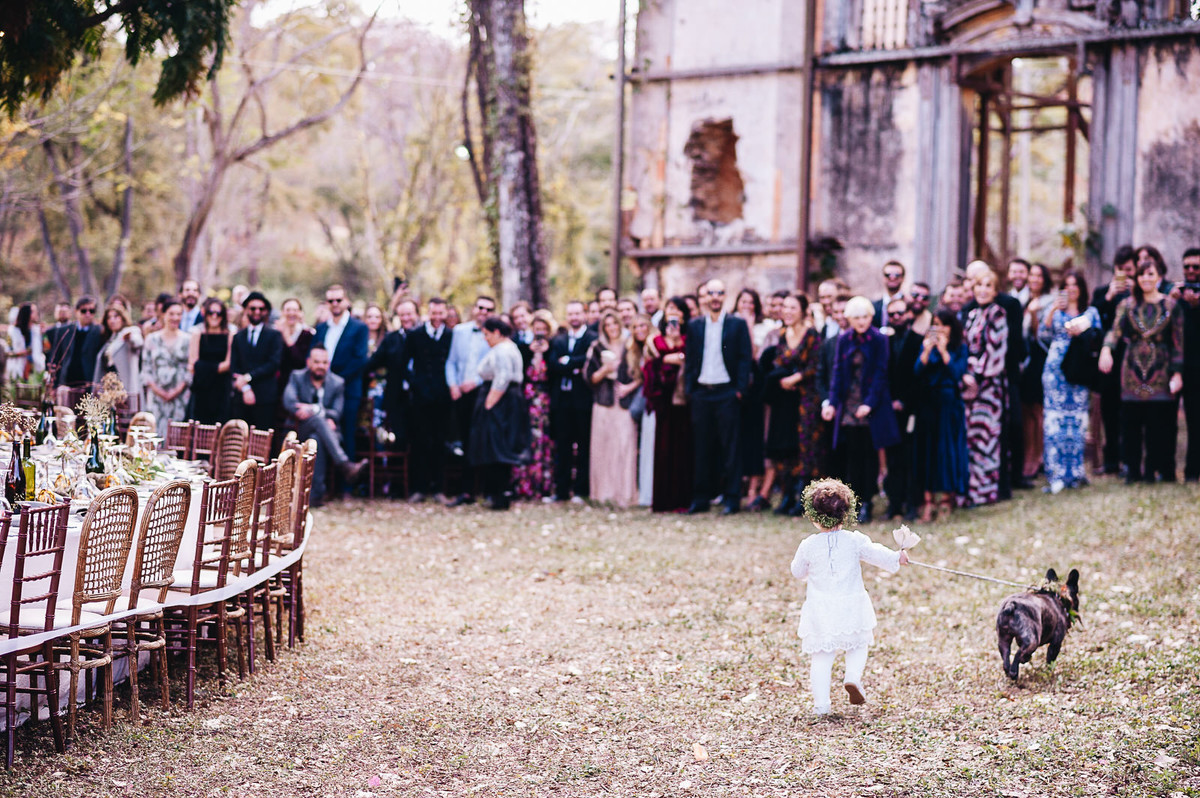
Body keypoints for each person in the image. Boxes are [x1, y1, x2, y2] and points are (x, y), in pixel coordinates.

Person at [790, 478, 908, 716]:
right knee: (859, 644)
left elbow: (797, 572)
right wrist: (897, 558)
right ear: (846, 515)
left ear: (813, 516)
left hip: (821, 610)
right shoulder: (855, 540)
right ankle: (852, 677)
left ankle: (821, 706)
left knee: (822, 656)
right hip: (852, 605)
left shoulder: (808, 545)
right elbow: (878, 554)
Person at [1099, 257, 1184, 483]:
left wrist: (1177, 372)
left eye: (1150, 274)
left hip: (1160, 369)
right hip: (1132, 369)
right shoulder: (1127, 305)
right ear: (1136, 278)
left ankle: (1154, 470)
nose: (1146, 278)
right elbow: (1114, 332)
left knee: (1158, 423)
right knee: (1131, 423)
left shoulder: (1171, 306)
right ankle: (1133, 470)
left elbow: (1178, 342)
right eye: (1142, 274)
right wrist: (1106, 350)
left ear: (1159, 277)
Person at [822, 296, 900, 523]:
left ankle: (868, 500)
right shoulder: (844, 339)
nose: (861, 321)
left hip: (871, 405)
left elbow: (880, 373)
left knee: (870, 455)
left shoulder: (879, 339)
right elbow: (837, 373)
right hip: (849, 404)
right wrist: (833, 403)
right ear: (849, 319)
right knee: (852, 455)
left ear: (871, 317)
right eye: (856, 317)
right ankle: (853, 503)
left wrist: (869, 404)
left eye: (865, 316)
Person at [684, 278, 753, 515]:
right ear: (704, 297)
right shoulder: (694, 325)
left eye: (719, 292)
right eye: (710, 292)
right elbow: (691, 359)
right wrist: (690, 390)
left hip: (727, 392)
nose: (715, 297)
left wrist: (739, 390)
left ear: (725, 296)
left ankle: (732, 498)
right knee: (701, 448)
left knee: (730, 448)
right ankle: (701, 497)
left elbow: (745, 359)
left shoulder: (737, 324)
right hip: (702, 392)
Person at [757, 293, 822, 515]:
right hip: (785, 401)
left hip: (806, 400)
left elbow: (816, 365)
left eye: (792, 307)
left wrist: (796, 378)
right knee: (785, 448)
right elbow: (778, 361)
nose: (787, 311)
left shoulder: (812, 334)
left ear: (803, 311)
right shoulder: (782, 334)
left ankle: (803, 500)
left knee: (804, 449)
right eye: (785, 307)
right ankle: (786, 496)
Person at [281, 344, 367, 506]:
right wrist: (321, 414)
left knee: (317, 438)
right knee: (318, 421)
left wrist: (314, 409)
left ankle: (315, 496)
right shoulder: (297, 377)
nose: (321, 366)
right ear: (308, 362)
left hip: (326, 435)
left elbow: (337, 413)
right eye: (317, 362)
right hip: (299, 429)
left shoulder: (337, 382)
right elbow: (289, 402)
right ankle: (344, 464)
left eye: (324, 362)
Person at [1041, 271, 1101, 494]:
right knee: (1055, 423)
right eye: (1067, 285)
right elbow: (1042, 334)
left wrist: (1082, 333)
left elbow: (1098, 335)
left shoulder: (1091, 312)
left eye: (1075, 284)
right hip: (1056, 370)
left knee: (1076, 422)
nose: (1071, 289)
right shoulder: (1056, 310)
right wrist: (1053, 310)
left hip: (1079, 369)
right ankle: (1055, 474)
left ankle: (1075, 472)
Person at [913, 309, 969, 522]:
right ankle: (928, 502)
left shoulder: (959, 347)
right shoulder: (926, 345)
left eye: (944, 324)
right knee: (927, 451)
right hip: (928, 403)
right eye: (936, 324)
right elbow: (917, 371)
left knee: (946, 452)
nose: (940, 328)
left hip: (948, 404)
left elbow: (957, 374)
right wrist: (926, 352)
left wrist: (944, 351)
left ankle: (946, 500)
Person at [468, 317, 530, 510]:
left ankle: (499, 494)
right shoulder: (506, 348)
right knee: (496, 447)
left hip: (500, 402)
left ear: (496, 332)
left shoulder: (503, 350)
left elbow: (502, 377)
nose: (485, 338)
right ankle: (495, 493)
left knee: (497, 447)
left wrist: (489, 403)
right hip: (504, 399)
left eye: (487, 334)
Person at [962, 269, 1009, 506]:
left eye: (988, 286)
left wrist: (976, 377)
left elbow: (996, 354)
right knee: (971, 439)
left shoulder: (997, 314)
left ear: (995, 291)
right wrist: (965, 375)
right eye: (979, 285)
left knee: (986, 439)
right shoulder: (971, 315)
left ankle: (986, 492)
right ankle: (972, 491)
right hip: (969, 386)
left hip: (988, 388)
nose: (983, 290)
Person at [443, 295, 496, 506]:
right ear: (474, 309)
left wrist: (474, 382)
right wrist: (453, 385)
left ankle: (486, 489)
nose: (483, 312)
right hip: (461, 394)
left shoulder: (494, 334)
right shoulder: (459, 331)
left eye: (488, 309)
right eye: (480, 307)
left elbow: (493, 365)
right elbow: (451, 361)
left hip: (483, 392)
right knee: (464, 441)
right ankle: (466, 492)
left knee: (484, 440)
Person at [642, 297, 693, 513]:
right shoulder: (656, 341)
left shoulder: (689, 338)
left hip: (683, 402)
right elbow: (650, 367)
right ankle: (662, 501)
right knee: (663, 449)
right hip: (663, 400)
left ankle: (682, 500)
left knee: (683, 450)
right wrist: (666, 359)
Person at [584, 311, 639, 506]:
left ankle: (625, 493)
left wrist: (628, 387)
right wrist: (604, 370)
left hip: (624, 403)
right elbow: (589, 378)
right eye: (607, 325)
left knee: (624, 446)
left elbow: (641, 373)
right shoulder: (597, 347)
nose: (612, 328)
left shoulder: (630, 345)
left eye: (614, 324)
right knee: (603, 447)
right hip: (604, 402)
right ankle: (603, 493)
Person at [1091, 245, 1136, 475]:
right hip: (1108, 357)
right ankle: (1110, 460)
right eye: (1120, 269)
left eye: (1128, 270)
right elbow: (1094, 318)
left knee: (1129, 411)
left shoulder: (1138, 292)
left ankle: (1129, 459)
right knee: (1108, 409)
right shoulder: (1102, 292)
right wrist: (1109, 296)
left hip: (1133, 359)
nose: (1124, 274)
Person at [547, 300, 597, 503]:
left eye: (577, 313)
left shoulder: (592, 338)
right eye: (570, 314)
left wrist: (567, 361)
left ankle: (580, 490)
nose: (574, 317)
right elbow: (552, 366)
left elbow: (588, 361)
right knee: (563, 447)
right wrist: (572, 365)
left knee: (584, 446)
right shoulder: (558, 340)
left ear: (584, 314)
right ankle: (561, 491)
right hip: (562, 402)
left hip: (582, 401)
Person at [314, 284, 369, 464]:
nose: (335, 303)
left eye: (339, 300)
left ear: (346, 301)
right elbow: (312, 355)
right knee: (322, 433)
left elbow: (359, 359)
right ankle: (322, 485)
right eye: (331, 300)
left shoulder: (359, 328)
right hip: (321, 389)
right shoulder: (321, 328)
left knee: (347, 433)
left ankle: (347, 486)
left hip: (348, 389)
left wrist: (335, 381)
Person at [405, 298, 453, 502]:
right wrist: (416, 385)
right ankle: (419, 488)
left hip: (443, 398)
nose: (437, 317)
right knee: (419, 442)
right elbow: (405, 364)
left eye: (441, 313)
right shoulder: (415, 335)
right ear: (428, 312)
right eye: (434, 313)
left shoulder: (451, 335)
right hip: (420, 398)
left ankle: (439, 488)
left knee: (440, 443)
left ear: (445, 314)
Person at [513, 310, 557, 500]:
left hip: (546, 401)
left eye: (543, 330)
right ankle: (525, 485)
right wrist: (532, 353)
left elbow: (554, 372)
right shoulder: (523, 348)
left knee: (544, 441)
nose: (539, 333)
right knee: (527, 439)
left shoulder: (554, 347)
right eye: (536, 329)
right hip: (527, 401)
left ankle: (544, 484)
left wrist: (545, 354)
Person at [1019, 263, 1055, 481]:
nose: (1034, 279)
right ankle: (1027, 454)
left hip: (1039, 357)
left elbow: (1040, 335)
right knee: (1025, 410)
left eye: (1039, 276)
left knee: (1037, 409)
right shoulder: (1021, 300)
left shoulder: (1047, 302)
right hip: (1024, 360)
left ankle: (1038, 458)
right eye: (1031, 275)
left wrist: (1034, 315)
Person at [734, 287, 768, 509]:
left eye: (751, 302)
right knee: (735, 438)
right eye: (742, 301)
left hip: (755, 386)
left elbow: (754, 355)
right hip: (735, 386)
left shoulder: (764, 328)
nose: (746, 305)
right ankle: (736, 486)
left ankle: (754, 488)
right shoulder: (729, 324)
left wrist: (747, 326)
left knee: (754, 438)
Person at [231, 291, 284, 432]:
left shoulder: (274, 335)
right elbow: (234, 366)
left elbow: (273, 364)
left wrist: (248, 377)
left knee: (262, 441)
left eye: (261, 309)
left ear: (266, 312)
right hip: (241, 397)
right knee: (240, 439)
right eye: (253, 308)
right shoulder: (238, 337)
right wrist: (245, 389)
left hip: (265, 397)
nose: (257, 312)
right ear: (246, 310)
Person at [141, 298, 191, 436]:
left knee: (176, 437)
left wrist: (175, 391)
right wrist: (160, 392)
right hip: (157, 397)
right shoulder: (152, 339)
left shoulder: (188, 339)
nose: (175, 317)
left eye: (179, 314)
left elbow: (190, 369)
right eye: (171, 313)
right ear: (163, 315)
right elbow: (146, 369)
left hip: (179, 397)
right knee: (154, 435)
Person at [187, 297, 232, 425]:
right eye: (210, 313)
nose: (214, 316)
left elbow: (228, 364)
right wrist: (214, 368)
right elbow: (192, 364)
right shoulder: (197, 334)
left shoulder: (229, 335)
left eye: (218, 313)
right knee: (197, 428)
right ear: (205, 314)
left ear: (223, 315)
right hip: (201, 387)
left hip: (221, 388)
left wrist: (203, 368)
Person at [47, 296, 102, 398]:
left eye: (91, 311)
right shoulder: (65, 331)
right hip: (67, 382)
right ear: (76, 311)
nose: (88, 314)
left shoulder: (99, 332)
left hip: (89, 383)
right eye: (84, 311)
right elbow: (56, 358)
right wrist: (53, 386)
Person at [91, 303, 142, 399]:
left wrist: (130, 338)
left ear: (122, 318)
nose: (112, 320)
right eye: (109, 318)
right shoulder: (110, 339)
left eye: (115, 316)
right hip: (109, 388)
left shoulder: (131, 331)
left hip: (126, 387)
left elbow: (137, 342)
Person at [1181, 248, 1200, 482]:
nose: (1192, 271)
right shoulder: (1177, 297)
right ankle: (1191, 470)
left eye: (1196, 267)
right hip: (1185, 368)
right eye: (1187, 266)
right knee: (1192, 420)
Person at [5, 303, 44, 383]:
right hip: (17, 371)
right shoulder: (12, 331)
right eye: (33, 311)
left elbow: (46, 349)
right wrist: (21, 353)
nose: (36, 313)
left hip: (34, 372)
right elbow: (8, 352)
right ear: (26, 313)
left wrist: (44, 335)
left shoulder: (37, 330)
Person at [871, 260, 907, 330]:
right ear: (883, 277)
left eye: (896, 275)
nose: (892, 278)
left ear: (903, 278)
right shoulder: (873, 306)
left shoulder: (909, 305)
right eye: (888, 275)